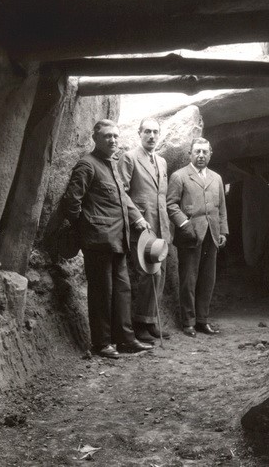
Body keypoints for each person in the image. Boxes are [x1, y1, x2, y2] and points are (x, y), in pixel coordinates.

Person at [63, 119, 153, 358]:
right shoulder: (87, 165)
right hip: (98, 242)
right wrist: (86, 229)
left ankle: (125, 339)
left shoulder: (112, 164)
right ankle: (102, 343)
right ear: (96, 139)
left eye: (115, 136)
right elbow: (72, 202)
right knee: (102, 293)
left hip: (118, 239)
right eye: (107, 136)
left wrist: (137, 218)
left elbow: (122, 197)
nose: (113, 140)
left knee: (122, 291)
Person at [167, 137, 229, 337]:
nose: (201, 155)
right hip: (190, 235)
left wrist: (223, 231)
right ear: (190, 154)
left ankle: (203, 320)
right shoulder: (179, 176)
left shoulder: (216, 178)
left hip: (212, 234)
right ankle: (188, 322)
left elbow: (221, 208)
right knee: (189, 279)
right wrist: (185, 224)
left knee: (207, 279)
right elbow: (171, 205)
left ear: (210, 154)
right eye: (197, 152)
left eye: (204, 152)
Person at [118, 118, 171, 343]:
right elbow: (121, 192)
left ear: (159, 135)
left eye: (155, 132)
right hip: (142, 225)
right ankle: (140, 324)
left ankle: (150, 322)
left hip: (161, 226)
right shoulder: (129, 158)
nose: (151, 136)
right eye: (147, 131)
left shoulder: (162, 161)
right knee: (148, 273)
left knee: (160, 272)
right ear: (139, 133)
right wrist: (136, 217)